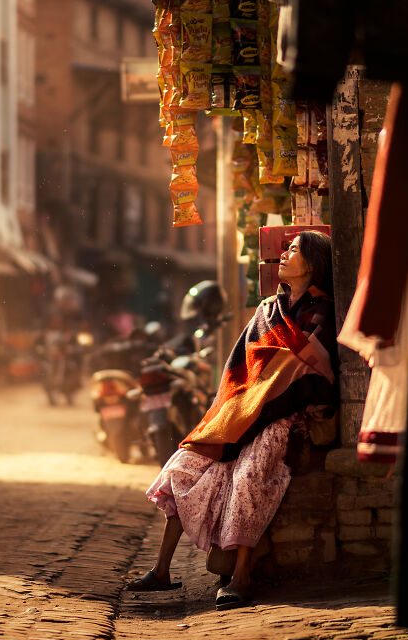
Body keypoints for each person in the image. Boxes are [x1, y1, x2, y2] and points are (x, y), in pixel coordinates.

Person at [127, 231, 337, 610]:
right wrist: (233, 416)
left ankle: (241, 576)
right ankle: (161, 570)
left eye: (294, 250)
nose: (284, 255)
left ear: (314, 265)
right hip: (242, 414)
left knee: (246, 477)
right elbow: (239, 369)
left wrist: (259, 415)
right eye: (285, 248)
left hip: (282, 417)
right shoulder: (267, 310)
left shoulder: (320, 313)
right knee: (183, 466)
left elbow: (315, 380)